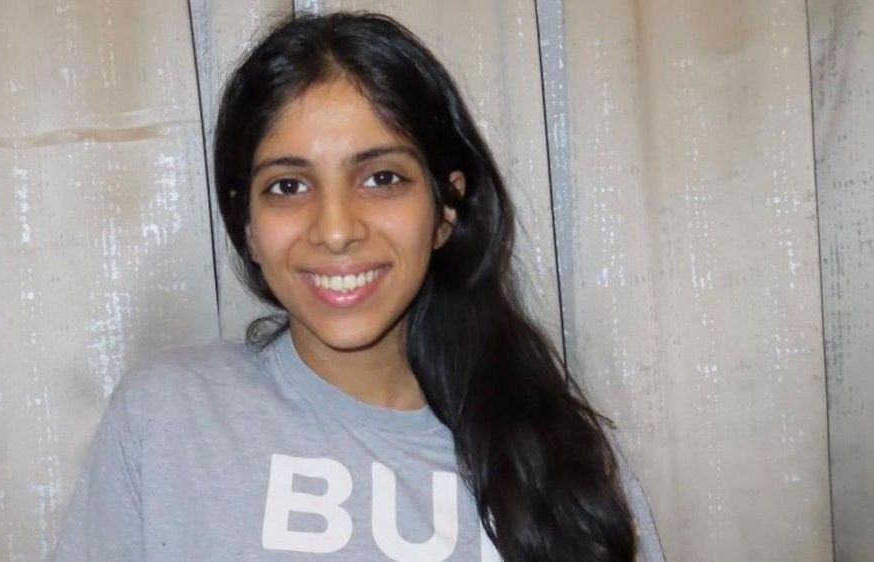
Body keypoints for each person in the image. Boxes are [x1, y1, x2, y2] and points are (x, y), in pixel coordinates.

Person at [54, 12, 663, 562]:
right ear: (247, 224)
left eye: (382, 177)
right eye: (288, 186)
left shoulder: (560, 456)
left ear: (446, 210)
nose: (337, 230)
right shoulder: (168, 418)